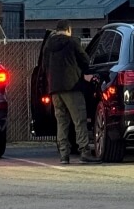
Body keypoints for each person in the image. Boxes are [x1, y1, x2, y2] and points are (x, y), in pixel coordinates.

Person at [43, 20, 100, 164]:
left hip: (55, 89)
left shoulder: (48, 46)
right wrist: (83, 74)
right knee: (79, 120)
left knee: (61, 122)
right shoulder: (73, 43)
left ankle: (64, 155)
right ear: (68, 29)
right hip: (72, 86)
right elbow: (86, 61)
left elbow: (44, 67)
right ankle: (84, 151)